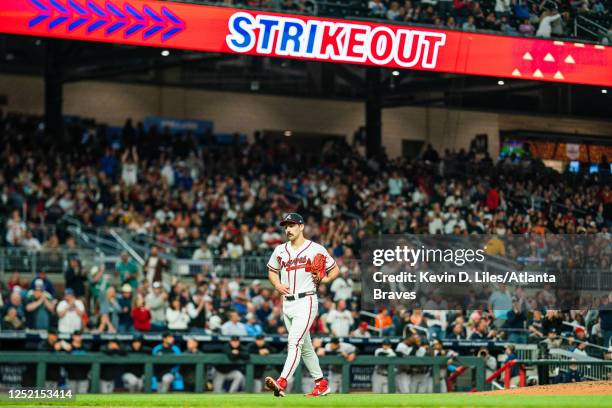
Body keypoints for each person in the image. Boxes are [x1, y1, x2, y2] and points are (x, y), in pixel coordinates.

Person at [265, 213, 340, 398]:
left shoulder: (315, 248)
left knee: (294, 343)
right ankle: (321, 383)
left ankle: (282, 382)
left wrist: (325, 279)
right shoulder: (280, 250)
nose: (288, 229)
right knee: (305, 347)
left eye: (292, 225)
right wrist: (276, 284)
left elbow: (335, 269)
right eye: (286, 226)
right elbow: (272, 272)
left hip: (306, 300)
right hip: (287, 303)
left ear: (301, 226)